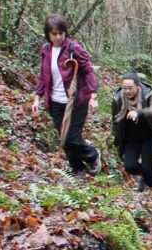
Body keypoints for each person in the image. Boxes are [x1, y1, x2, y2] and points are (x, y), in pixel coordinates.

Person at [30, 15, 101, 176]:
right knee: (64, 139)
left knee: (72, 138)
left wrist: (93, 96)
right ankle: (78, 170)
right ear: (48, 34)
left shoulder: (74, 48)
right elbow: (43, 75)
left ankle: (92, 155)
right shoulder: (46, 50)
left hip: (76, 101)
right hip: (54, 102)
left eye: (61, 33)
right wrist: (37, 98)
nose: (58, 37)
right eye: (54, 34)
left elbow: (88, 71)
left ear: (65, 33)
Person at [112, 73, 152, 192]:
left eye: (130, 88)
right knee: (129, 166)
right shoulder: (117, 98)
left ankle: (151, 185)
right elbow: (115, 120)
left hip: (150, 136)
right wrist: (116, 138)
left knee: (149, 170)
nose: (127, 91)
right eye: (124, 88)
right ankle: (144, 177)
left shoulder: (148, 94)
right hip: (131, 138)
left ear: (138, 86)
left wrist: (139, 112)